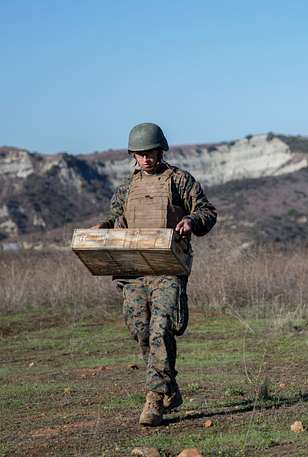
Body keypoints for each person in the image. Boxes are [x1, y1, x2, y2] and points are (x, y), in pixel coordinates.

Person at [94, 122, 217, 426]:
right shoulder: (127, 188)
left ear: (160, 150)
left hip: (167, 269)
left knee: (161, 329)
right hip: (133, 270)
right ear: (132, 156)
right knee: (142, 330)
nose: (146, 158)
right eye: (140, 154)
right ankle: (169, 385)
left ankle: (153, 402)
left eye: (150, 152)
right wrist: (103, 228)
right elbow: (115, 218)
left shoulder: (179, 180)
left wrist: (190, 221)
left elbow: (207, 211)